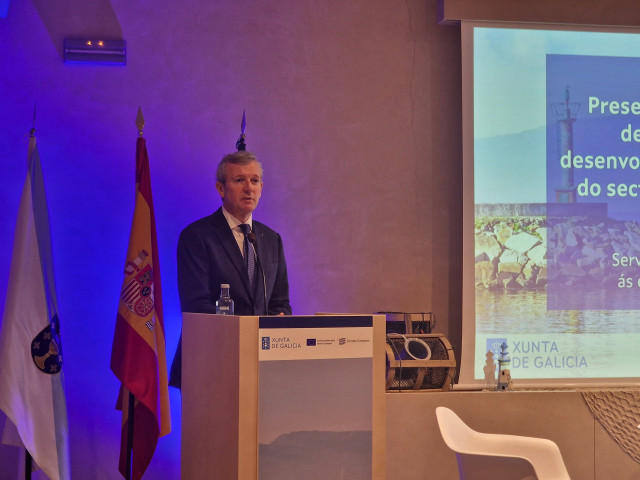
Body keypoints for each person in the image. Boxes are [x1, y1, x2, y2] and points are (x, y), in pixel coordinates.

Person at [169, 151, 292, 388]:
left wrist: (279, 322)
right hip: (210, 363)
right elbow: (196, 305)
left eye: (255, 181)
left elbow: (281, 303)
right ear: (221, 188)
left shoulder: (270, 239)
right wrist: (249, 330)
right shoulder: (197, 236)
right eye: (239, 180)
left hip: (262, 365)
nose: (249, 188)